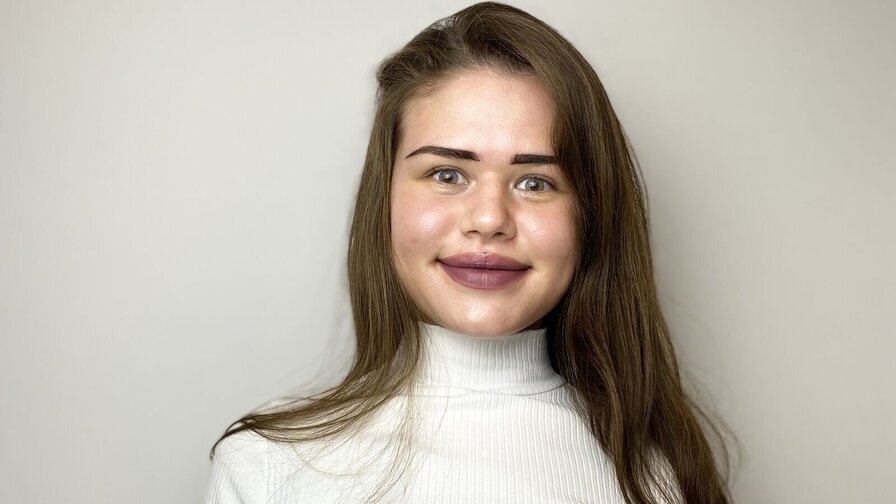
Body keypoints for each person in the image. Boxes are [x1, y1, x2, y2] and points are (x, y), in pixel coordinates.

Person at [205, 2, 730, 503]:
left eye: (535, 182)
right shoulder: (265, 465)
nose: (488, 219)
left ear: (591, 216)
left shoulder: (663, 478)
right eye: (447, 174)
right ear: (384, 200)